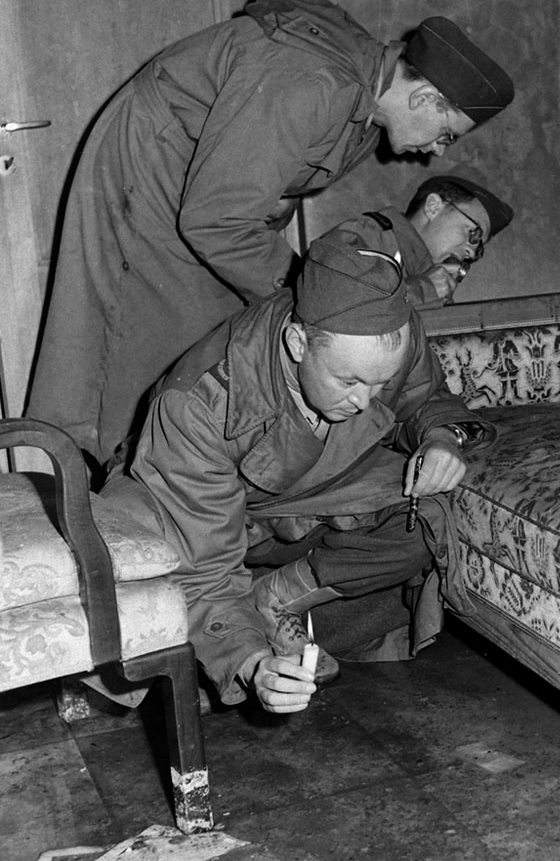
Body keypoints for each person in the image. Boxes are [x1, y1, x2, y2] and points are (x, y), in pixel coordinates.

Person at [28, 0, 514, 468]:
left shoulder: (367, 105)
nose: (440, 151)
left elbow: (269, 189)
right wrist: (316, 293)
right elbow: (216, 221)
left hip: (198, 192)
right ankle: (100, 491)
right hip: (153, 178)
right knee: (134, 352)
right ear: (425, 96)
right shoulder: (313, 84)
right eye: (446, 133)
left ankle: (147, 481)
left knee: (203, 341)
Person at [102, 236, 496, 714]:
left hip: (305, 499)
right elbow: (203, 569)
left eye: (380, 382)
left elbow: (422, 396)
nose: (366, 401)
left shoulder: (383, 327)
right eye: (349, 382)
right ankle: (234, 644)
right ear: (297, 343)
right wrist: (252, 663)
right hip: (202, 520)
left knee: (427, 516)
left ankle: (273, 603)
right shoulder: (198, 405)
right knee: (164, 610)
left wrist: (439, 437)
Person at [332, 174, 514, 311]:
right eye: (473, 234)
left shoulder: (432, 282)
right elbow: (335, 306)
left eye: (479, 248)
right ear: (433, 207)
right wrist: (423, 291)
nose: (472, 253)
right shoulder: (365, 236)